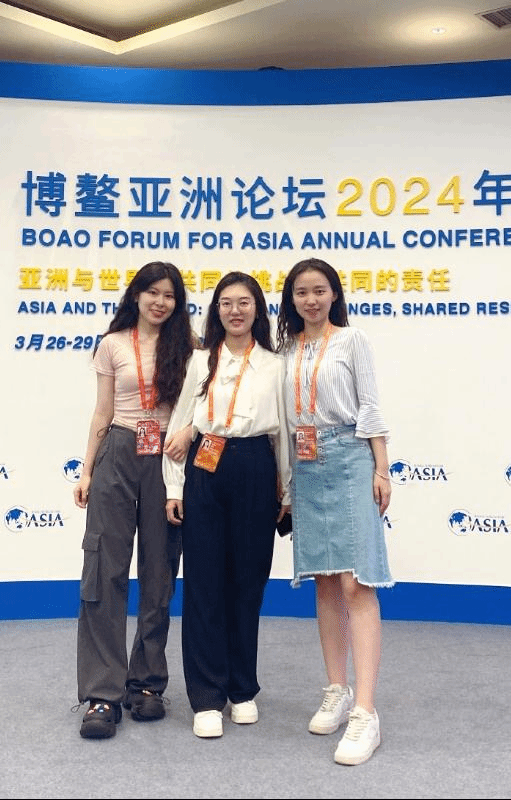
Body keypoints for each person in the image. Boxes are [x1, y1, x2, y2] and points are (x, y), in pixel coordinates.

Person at [276, 257, 393, 766]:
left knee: (355, 583)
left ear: (334, 295)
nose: (311, 300)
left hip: (348, 457)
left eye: (320, 290)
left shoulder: (352, 340)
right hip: (305, 466)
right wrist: (285, 484)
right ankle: (337, 690)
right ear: (291, 299)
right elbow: (282, 420)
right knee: (325, 581)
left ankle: (366, 711)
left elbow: (370, 406)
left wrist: (382, 468)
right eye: (301, 292)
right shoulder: (284, 350)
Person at [72, 260, 196, 740]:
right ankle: (102, 694)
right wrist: (87, 469)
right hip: (119, 450)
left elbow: (201, 407)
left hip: (169, 457)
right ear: (137, 295)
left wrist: (186, 434)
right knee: (104, 570)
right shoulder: (113, 344)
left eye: (169, 295)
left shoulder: (190, 346)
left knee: (160, 572)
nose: (160, 302)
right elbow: (101, 411)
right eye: (152, 292)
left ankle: (146, 683)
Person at [164, 271, 290, 739]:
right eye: (226, 303)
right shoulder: (201, 361)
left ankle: (241, 689)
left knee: (248, 582)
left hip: (256, 466)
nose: (235, 311)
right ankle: (206, 696)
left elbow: (284, 434)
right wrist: (174, 487)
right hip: (206, 466)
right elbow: (181, 424)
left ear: (258, 309)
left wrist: (287, 491)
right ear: (216, 311)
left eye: (244, 302)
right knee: (204, 583)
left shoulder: (275, 365)